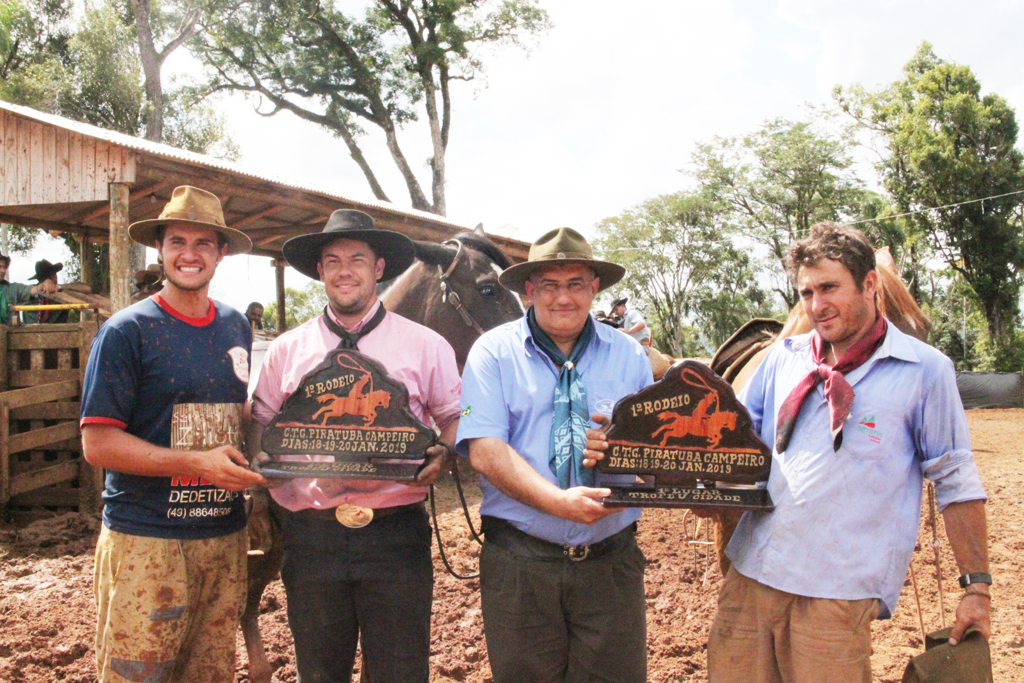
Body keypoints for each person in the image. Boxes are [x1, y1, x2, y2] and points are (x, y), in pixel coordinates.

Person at [707, 222, 990, 683]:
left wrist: (976, 587)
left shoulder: (925, 371)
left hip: (837, 596)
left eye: (829, 287)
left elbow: (956, 479)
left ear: (870, 283)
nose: (817, 306)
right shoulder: (784, 357)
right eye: (806, 292)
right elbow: (736, 439)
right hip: (751, 580)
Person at [249, 209, 462, 683]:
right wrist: (262, 461)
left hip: (395, 534)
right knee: (320, 672)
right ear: (320, 272)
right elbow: (262, 419)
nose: (345, 270)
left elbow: (454, 416)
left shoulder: (426, 345)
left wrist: (446, 453)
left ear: (378, 269)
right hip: (311, 534)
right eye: (333, 260)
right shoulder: (288, 348)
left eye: (357, 259)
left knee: (400, 672)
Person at [80, 186, 266, 683]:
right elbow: (97, 443)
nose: (190, 254)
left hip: (224, 538)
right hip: (148, 539)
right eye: (177, 241)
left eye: (204, 243)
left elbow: (233, 411)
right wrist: (196, 464)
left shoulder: (234, 326)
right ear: (159, 250)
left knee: (210, 674)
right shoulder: (127, 331)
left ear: (221, 253)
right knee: (138, 674)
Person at [457, 227, 654, 683]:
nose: (562, 298)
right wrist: (556, 503)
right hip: (521, 565)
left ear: (595, 288)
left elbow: (654, 448)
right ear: (528, 290)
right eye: (549, 285)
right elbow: (486, 451)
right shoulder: (492, 353)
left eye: (575, 284)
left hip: (612, 563)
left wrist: (627, 454)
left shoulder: (629, 355)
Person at [0, 252, 58, 324]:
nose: (3, 271)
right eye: (0, 267)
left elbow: (32, 290)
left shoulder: (12, 289)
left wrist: (45, 284)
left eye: (4, 267)